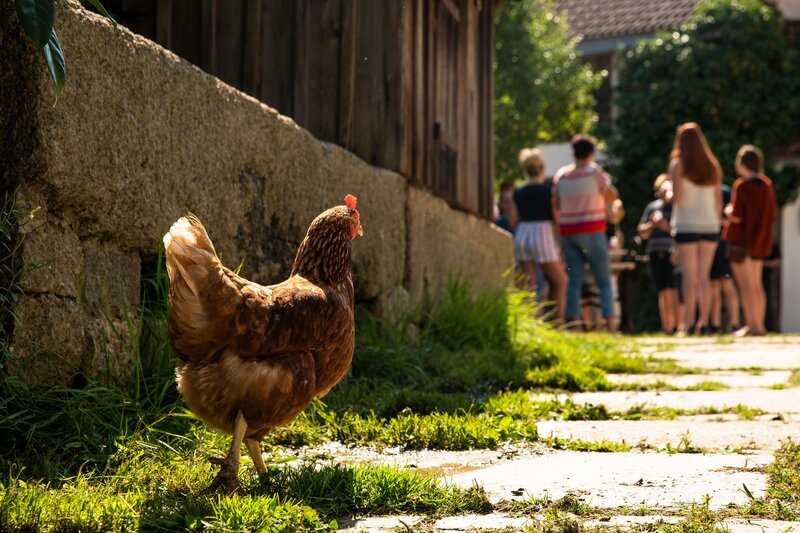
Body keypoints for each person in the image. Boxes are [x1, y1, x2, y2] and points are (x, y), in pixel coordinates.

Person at [553, 134, 619, 332]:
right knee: (603, 279)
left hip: (568, 232)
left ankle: (573, 321)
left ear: (573, 153)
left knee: (573, 278)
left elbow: (556, 204)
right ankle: (610, 321)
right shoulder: (594, 173)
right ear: (591, 153)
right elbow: (612, 195)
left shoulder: (561, 176)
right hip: (592, 230)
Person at [669, 123, 722, 335]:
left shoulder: (678, 166)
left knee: (689, 277)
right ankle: (705, 322)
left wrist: (666, 195)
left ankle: (688, 322)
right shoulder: (713, 166)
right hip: (709, 224)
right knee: (704, 277)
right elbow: (718, 201)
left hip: (686, 224)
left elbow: (678, 199)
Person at [722, 145, 779, 337]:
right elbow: (771, 214)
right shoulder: (766, 185)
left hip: (741, 241)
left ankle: (750, 325)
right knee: (757, 284)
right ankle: (759, 325)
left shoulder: (742, 186)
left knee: (745, 285)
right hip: (759, 241)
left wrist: (728, 211)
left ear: (742, 163)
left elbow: (737, 216)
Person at [513, 148, 567, 322]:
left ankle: (529, 321)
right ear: (542, 168)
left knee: (529, 283)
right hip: (542, 234)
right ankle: (558, 324)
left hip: (523, 234)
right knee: (560, 281)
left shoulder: (518, 193)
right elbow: (555, 218)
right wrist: (558, 241)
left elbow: (514, 221)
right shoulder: (548, 191)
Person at [637, 174, 679, 333]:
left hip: (672, 252)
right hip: (655, 252)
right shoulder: (652, 207)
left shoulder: (677, 207)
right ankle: (667, 326)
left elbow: (677, 232)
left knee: (673, 289)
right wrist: (652, 224)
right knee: (662, 291)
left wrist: (664, 226)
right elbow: (642, 232)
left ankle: (676, 325)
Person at [709, 184, 740, 333]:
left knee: (727, 283)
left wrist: (716, 220)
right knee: (713, 285)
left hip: (724, 244)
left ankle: (734, 323)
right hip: (709, 244)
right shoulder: (704, 190)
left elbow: (731, 220)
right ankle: (715, 324)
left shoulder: (725, 192)